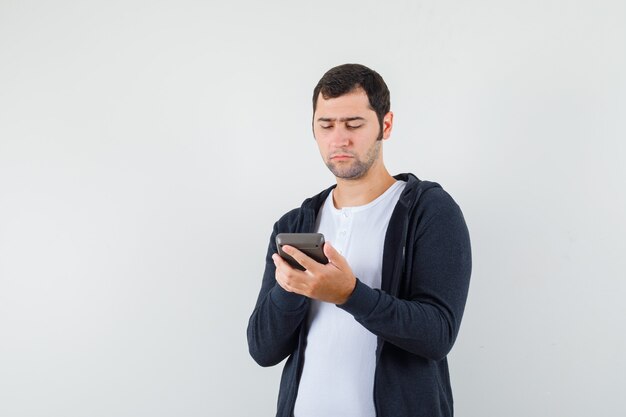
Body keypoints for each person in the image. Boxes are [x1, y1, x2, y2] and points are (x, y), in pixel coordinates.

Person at [247, 63, 472, 417]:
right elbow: (263, 349)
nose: (339, 139)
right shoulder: (296, 224)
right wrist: (289, 289)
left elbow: (437, 334)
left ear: (386, 125)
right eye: (326, 126)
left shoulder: (428, 210)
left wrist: (350, 294)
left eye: (354, 124)